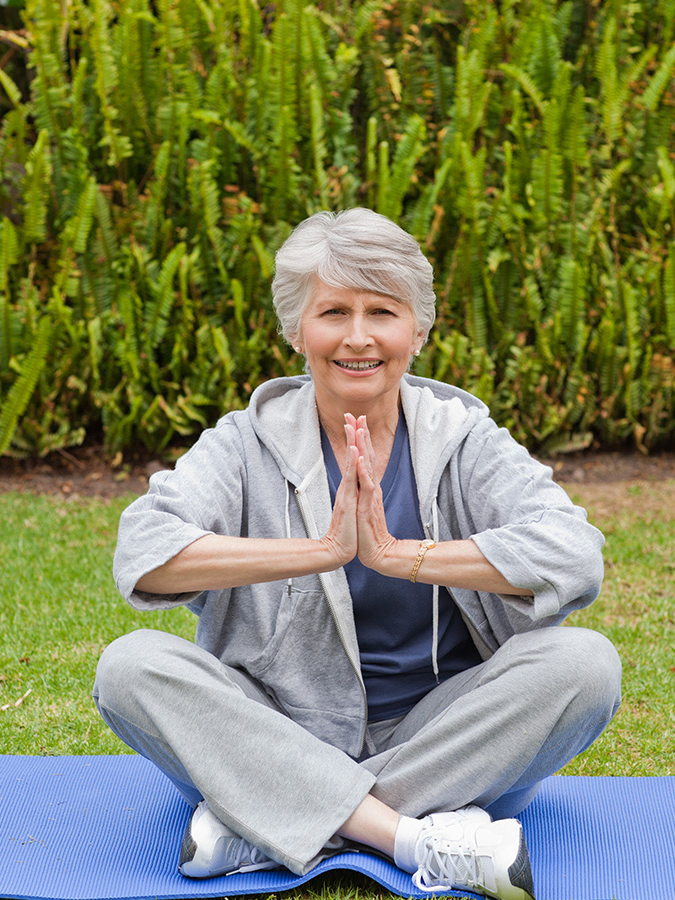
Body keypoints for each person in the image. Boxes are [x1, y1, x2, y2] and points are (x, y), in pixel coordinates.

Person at [93, 208, 621, 900]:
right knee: (131, 667)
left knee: (586, 665)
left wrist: (404, 556)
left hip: (443, 731)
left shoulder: (462, 437)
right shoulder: (243, 441)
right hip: (279, 725)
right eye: (333, 311)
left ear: (419, 331)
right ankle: (416, 836)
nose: (359, 336)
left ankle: (268, 818)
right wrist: (318, 550)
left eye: (383, 311)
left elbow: (574, 554)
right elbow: (145, 551)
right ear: (296, 331)